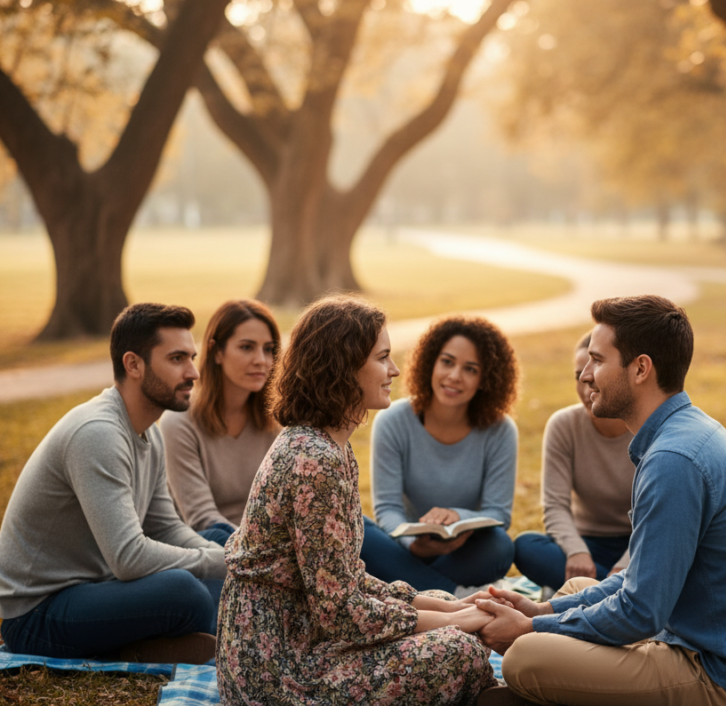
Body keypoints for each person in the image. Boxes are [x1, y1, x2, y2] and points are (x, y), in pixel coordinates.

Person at [475, 296, 726, 706]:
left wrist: (529, 631)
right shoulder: (682, 432)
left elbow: (640, 612)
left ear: (641, 369)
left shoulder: (673, 460)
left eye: (597, 360)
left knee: (525, 657)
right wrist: (541, 613)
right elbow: (641, 583)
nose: (586, 375)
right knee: (576, 589)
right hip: (706, 639)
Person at [216, 295, 497, 706]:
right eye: (383, 358)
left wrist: (454, 613)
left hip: (305, 636)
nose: (395, 370)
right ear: (344, 367)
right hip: (277, 670)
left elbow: (343, 580)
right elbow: (341, 612)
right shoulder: (315, 460)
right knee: (459, 649)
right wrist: (458, 624)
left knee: (443, 603)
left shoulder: (332, 446)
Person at [0, 303, 226, 664]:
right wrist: (215, 564)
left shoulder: (149, 431)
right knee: (187, 591)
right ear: (133, 364)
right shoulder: (98, 434)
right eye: (177, 359)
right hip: (36, 615)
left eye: (192, 358)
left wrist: (221, 559)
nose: (194, 373)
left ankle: (199, 631)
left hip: (97, 587)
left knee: (219, 542)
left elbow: (165, 526)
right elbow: (128, 558)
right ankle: (146, 643)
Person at [361, 316, 519, 595]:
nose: (455, 376)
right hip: (407, 549)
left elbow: (498, 513)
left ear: (486, 378)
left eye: (470, 369)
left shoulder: (501, 430)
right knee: (358, 529)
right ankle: (453, 598)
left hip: (464, 551)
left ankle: (414, 592)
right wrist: (414, 545)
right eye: (447, 362)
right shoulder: (393, 421)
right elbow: (387, 509)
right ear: (430, 362)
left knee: (499, 546)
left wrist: (455, 515)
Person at [513, 330, 633, 593]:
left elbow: (656, 522)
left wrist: (626, 565)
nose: (586, 383)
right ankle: (618, 593)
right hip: (585, 546)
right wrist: (577, 552)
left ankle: (589, 591)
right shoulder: (564, 425)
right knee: (527, 547)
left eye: (594, 371)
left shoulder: (645, 428)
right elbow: (555, 505)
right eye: (578, 376)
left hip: (639, 545)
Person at [162, 299, 280, 546]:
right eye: (247, 347)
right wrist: (265, 552)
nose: (261, 360)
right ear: (217, 352)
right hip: (210, 545)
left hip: (273, 542)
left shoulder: (277, 419)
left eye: (268, 349)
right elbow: (201, 518)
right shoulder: (179, 423)